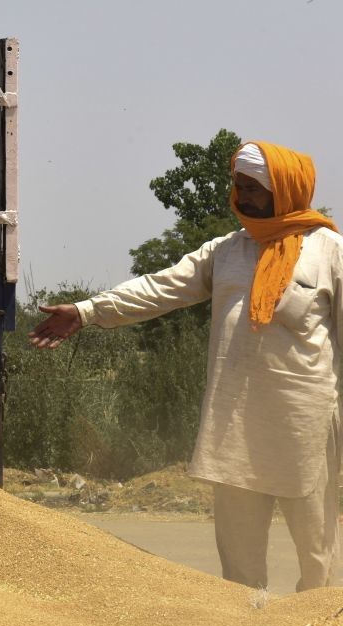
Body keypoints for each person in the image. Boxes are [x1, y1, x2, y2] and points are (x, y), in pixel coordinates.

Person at [30, 141, 340, 592]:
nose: (240, 195)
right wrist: (87, 310)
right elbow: (159, 288)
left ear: (286, 189)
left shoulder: (330, 251)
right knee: (238, 568)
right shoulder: (226, 251)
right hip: (235, 425)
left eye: (252, 187)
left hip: (304, 426)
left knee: (317, 556)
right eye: (237, 184)